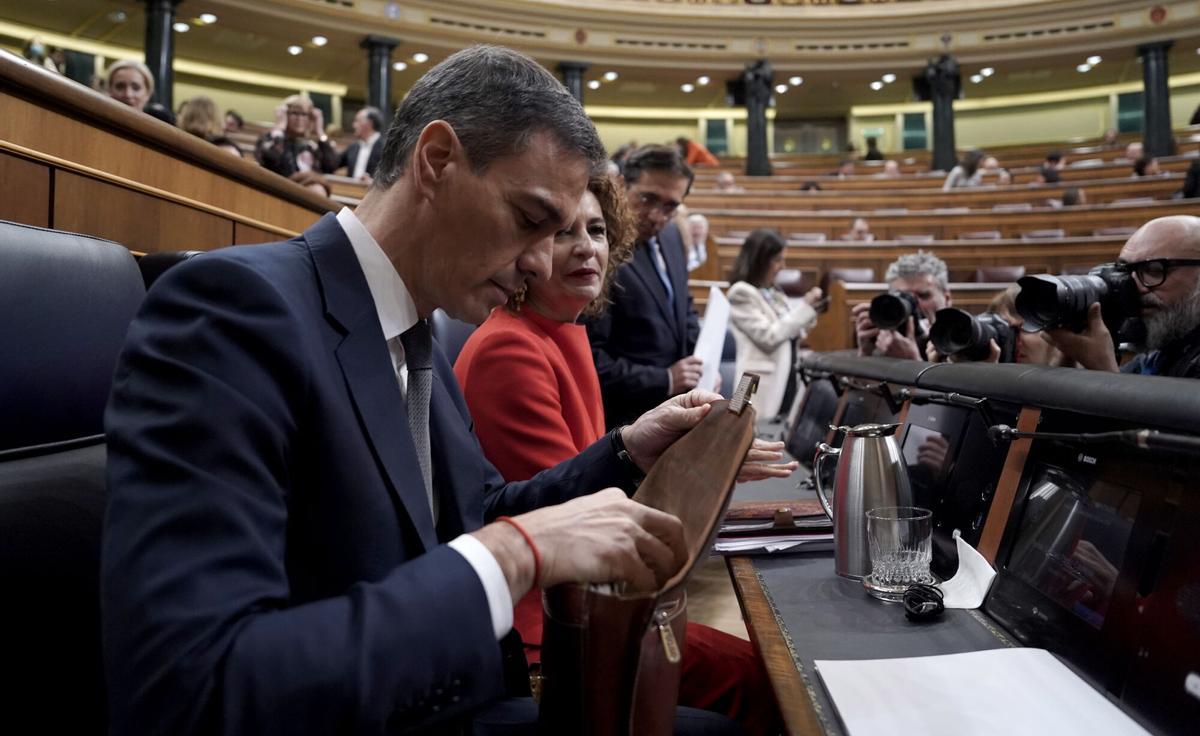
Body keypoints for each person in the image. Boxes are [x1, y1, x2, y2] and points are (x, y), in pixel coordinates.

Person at [103, 45, 762, 736]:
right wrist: (514, 554)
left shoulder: (417, 334)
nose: (542, 262)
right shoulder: (232, 312)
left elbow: (476, 509)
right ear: (438, 160)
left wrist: (626, 452)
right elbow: (190, 693)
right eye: (531, 218)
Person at [453, 171, 789, 734]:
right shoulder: (511, 347)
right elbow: (572, 517)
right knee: (766, 679)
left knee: (762, 669)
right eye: (563, 232)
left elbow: (600, 476)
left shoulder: (562, 332)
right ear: (524, 247)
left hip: (595, 600)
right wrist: (699, 469)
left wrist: (701, 458)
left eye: (598, 229)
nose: (587, 246)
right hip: (554, 629)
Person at [588, 144, 704, 429]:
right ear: (620, 185)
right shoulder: (598, 251)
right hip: (624, 424)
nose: (656, 215)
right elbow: (592, 358)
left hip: (679, 409)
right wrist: (665, 379)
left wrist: (700, 365)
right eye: (647, 199)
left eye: (670, 206)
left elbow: (683, 309)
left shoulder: (674, 236)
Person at [1042, 216, 1200, 378]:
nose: (1132, 286)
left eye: (1154, 270)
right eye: (1124, 270)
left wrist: (1103, 369)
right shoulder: (1160, 353)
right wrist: (1067, 354)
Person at [727, 229, 823, 418]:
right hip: (753, 384)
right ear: (760, 260)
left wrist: (810, 310)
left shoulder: (772, 292)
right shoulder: (741, 293)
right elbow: (769, 337)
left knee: (775, 439)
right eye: (778, 260)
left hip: (783, 377)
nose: (782, 266)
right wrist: (805, 308)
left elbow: (793, 331)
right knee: (742, 433)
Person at [853, 251, 952, 360]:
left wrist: (911, 362)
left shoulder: (961, 340)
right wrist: (865, 355)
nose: (913, 304)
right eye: (902, 297)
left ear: (947, 299)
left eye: (923, 295)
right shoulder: (881, 338)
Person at [255, 94, 339, 177]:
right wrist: (280, 126)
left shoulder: (312, 146)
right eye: (295, 113)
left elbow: (330, 167)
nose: (299, 119)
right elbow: (271, 159)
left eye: (304, 114)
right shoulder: (269, 138)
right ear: (285, 114)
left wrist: (320, 132)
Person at [338, 106, 385, 180]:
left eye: (357, 121)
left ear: (369, 123)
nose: (354, 125)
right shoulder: (353, 147)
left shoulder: (386, 149)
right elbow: (333, 164)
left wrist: (373, 183)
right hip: (349, 190)